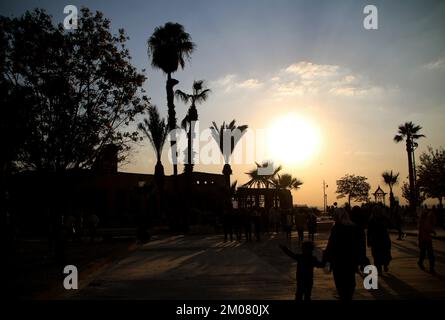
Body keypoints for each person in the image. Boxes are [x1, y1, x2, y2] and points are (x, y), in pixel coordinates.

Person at [323, 208, 368, 300]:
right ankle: (348, 296)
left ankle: (344, 296)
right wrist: (362, 258)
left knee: (340, 281)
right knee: (350, 279)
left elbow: (331, 244)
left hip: (338, 260)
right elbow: (361, 244)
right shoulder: (355, 228)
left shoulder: (336, 228)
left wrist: (326, 258)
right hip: (351, 259)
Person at [367, 206, 392, 273]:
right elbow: (369, 231)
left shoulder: (384, 218)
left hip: (384, 238)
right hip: (375, 240)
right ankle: (379, 268)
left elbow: (390, 225)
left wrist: (387, 217)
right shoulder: (371, 220)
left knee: (386, 254)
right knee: (376, 255)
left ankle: (385, 265)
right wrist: (368, 241)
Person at [418, 209, 436, 273]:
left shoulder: (424, 220)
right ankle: (429, 267)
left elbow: (427, 228)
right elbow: (426, 228)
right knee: (427, 254)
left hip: (425, 239)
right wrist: (432, 231)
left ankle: (430, 267)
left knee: (426, 254)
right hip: (424, 239)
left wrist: (432, 231)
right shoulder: (424, 221)